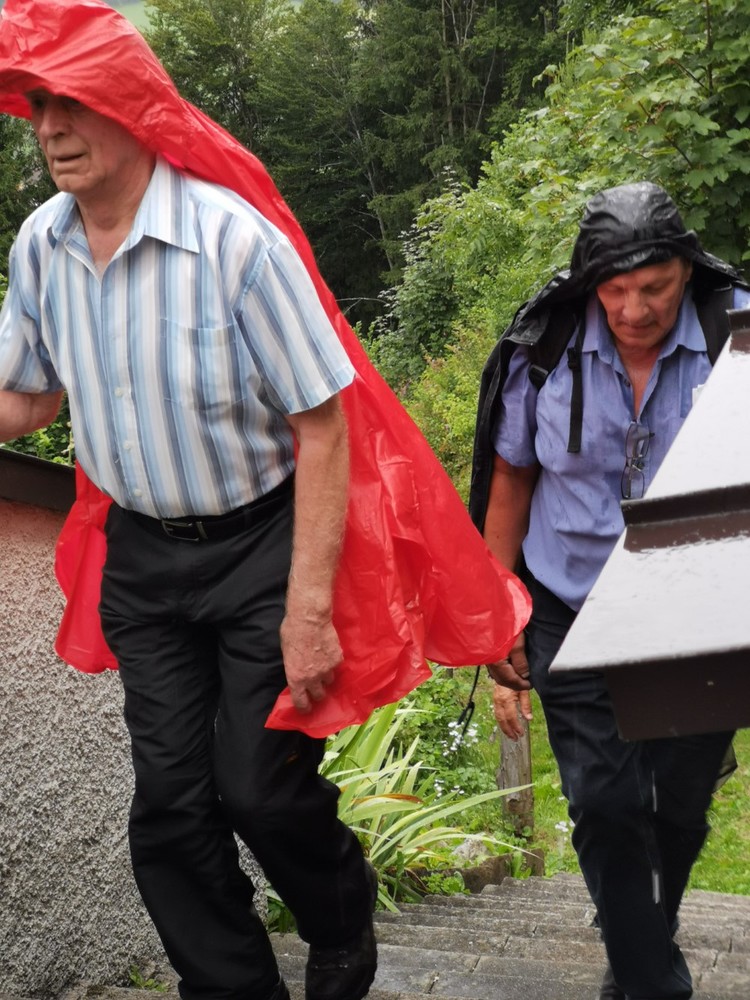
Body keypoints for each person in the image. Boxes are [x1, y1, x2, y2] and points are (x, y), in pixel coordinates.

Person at [0, 4, 530, 999]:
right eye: (37, 107)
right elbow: (26, 399)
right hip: (143, 558)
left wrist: (308, 609)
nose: (51, 128)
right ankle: (233, 986)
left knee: (259, 786)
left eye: (73, 103)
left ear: (131, 105)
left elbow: (324, 424)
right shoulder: (41, 247)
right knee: (170, 805)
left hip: (261, 549)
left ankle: (339, 914)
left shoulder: (234, 243)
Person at [469, 181, 750, 1000]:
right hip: (573, 603)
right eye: (616, 290)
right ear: (591, 283)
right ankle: (650, 980)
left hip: (701, 612)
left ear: (687, 271)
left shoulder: (737, 332)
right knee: (603, 799)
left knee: (679, 806)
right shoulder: (546, 342)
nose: (634, 309)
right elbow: (512, 479)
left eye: (655, 287)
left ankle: (638, 949)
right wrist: (497, 610)